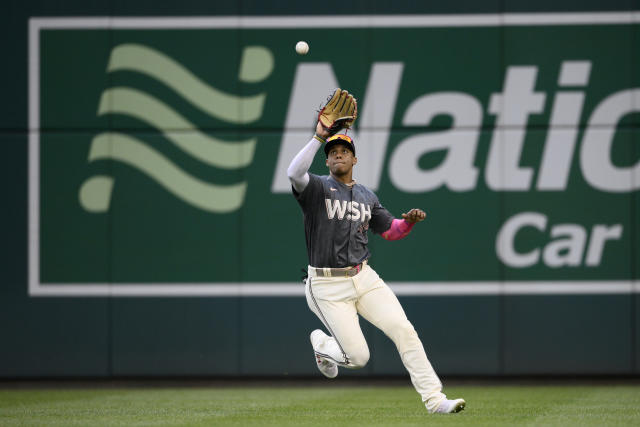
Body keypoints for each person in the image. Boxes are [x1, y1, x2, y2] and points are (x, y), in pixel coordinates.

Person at [286, 90, 466, 414]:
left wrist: (408, 222)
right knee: (359, 358)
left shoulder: (368, 196)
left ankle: (435, 399)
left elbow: (390, 231)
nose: (338, 154)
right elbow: (293, 173)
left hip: (364, 277)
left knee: (404, 329)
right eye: (333, 152)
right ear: (326, 160)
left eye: (344, 150)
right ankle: (324, 345)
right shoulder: (315, 189)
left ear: (354, 159)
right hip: (326, 286)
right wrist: (318, 136)